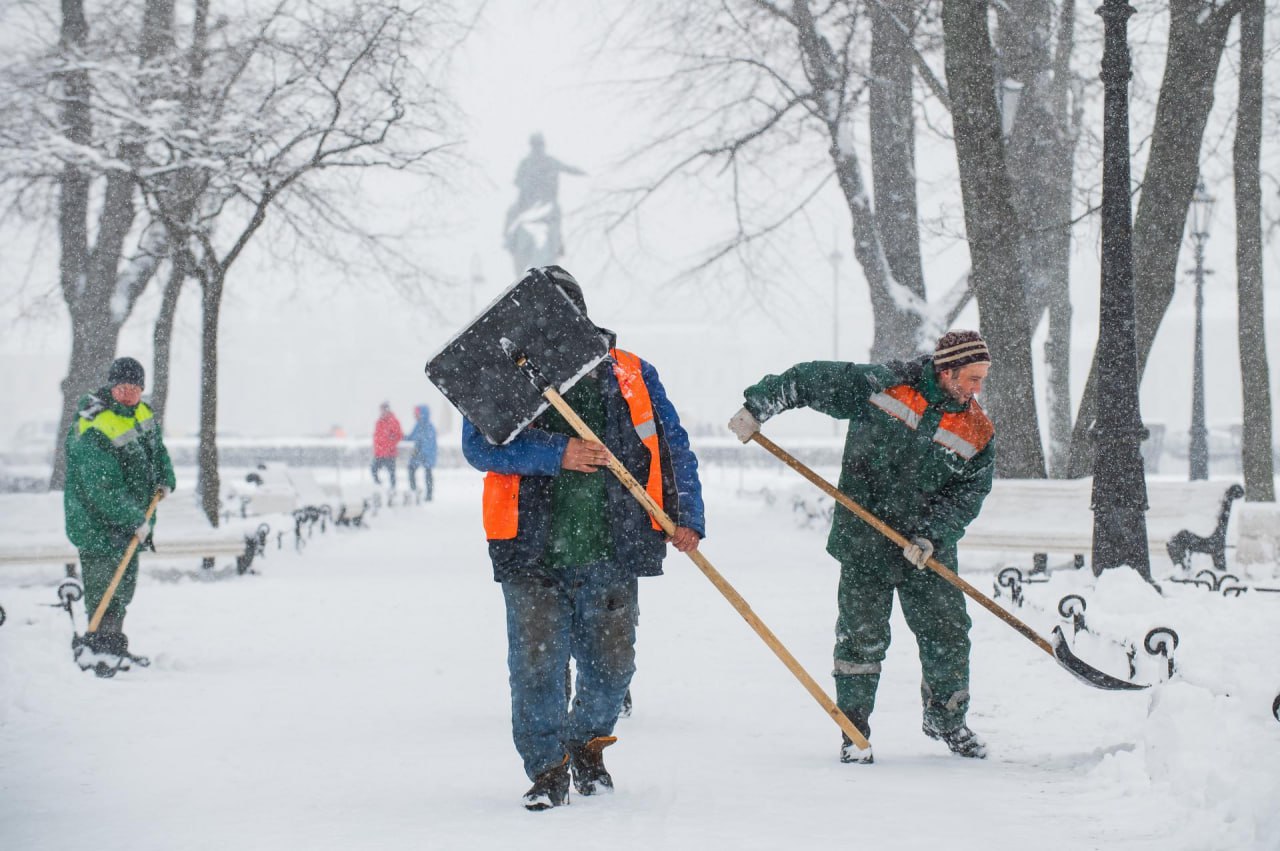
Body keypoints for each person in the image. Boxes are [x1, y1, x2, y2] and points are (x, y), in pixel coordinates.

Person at [462, 266, 704, 811]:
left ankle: (586, 744)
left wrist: (687, 514)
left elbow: (673, 447)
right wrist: (556, 453)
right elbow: (479, 447)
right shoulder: (503, 377)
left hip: (612, 547)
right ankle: (547, 770)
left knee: (612, 668)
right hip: (531, 550)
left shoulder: (630, 372)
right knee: (536, 669)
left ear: (578, 314)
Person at [727, 330, 995, 762]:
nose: (977, 389)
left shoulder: (977, 429)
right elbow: (808, 379)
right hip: (865, 540)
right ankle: (853, 730)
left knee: (947, 632)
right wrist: (758, 406)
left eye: (981, 379)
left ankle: (947, 720)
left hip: (925, 549)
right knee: (861, 638)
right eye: (971, 378)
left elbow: (968, 494)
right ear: (947, 371)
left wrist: (932, 534)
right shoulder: (883, 385)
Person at [63, 356, 176, 677]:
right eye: (123, 388)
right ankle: (97, 647)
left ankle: (113, 646)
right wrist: (134, 518)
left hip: (129, 520)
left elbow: (158, 451)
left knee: (123, 585)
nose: (128, 394)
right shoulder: (94, 423)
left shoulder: (143, 412)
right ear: (112, 387)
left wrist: (166, 478)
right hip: (95, 520)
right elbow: (102, 486)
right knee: (104, 586)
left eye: (135, 388)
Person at [503, 133, 585, 273]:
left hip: (546, 202)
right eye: (535, 145)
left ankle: (557, 243)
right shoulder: (526, 163)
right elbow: (517, 180)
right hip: (527, 203)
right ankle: (510, 240)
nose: (537, 148)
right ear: (532, 146)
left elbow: (566, 168)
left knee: (556, 216)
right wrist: (526, 183)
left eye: (539, 145)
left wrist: (579, 171)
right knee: (511, 213)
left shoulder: (550, 161)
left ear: (542, 146)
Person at [407, 404, 438, 499]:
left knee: (427, 473)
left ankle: (429, 494)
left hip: (426, 454)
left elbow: (429, 443)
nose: (415, 416)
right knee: (411, 468)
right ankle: (414, 490)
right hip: (419, 452)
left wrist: (423, 453)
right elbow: (411, 437)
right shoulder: (418, 425)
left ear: (422, 414)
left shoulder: (429, 427)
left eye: (416, 414)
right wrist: (401, 437)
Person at [371, 402, 403, 489]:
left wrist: (391, 444)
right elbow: (377, 437)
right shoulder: (379, 422)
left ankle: (392, 490)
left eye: (383, 410)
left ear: (387, 410)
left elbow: (399, 435)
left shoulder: (393, 421)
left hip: (390, 453)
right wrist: (377, 449)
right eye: (381, 410)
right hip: (379, 453)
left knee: (391, 473)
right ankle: (379, 487)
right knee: (373, 469)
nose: (382, 412)